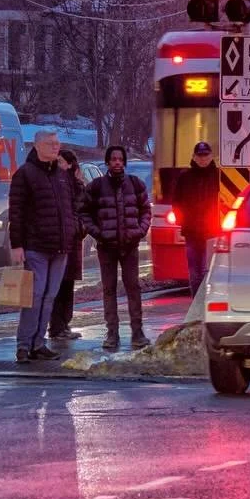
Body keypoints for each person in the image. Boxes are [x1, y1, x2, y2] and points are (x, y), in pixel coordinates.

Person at [8, 130, 78, 364]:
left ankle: (39, 343)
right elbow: (15, 212)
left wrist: (73, 231)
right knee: (34, 296)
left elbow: (72, 206)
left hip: (60, 246)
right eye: (50, 143)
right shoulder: (25, 174)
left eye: (57, 143)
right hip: (36, 245)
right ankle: (24, 345)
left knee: (49, 296)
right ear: (37, 146)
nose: (55, 147)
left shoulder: (61, 175)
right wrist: (17, 244)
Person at [82, 145, 152, 351]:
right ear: (107, 162)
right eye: (113, 159)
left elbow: (146, 211)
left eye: (120, 159)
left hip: (130, 244)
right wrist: (98, 232)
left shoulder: (135, 184)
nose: (117, 162)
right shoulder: (96, 186)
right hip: (107, 246)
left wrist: (139, 231)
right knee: (109, 289)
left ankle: (137, 332)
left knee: (133, 288)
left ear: (124, 162)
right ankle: (112, 333)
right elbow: (83, 212)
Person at [172, 141, 222, 298]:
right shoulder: (185, 177)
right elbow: (176, 202)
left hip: (213, 231)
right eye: (199, 155)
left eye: (205, 155)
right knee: (195, 273)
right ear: (194, 157)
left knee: (211, 271)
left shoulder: (220, 177)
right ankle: (197, 306)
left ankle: (209, 305)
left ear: (211, 156)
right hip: (192, 232)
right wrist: (183, 222)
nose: (202, 159)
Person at [48, 149, 88, 342]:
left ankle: (63, 323)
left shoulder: (77, 186)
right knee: (58, 284)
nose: (58, 164)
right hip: (60, 241)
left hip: (72, 241)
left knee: (67, 283)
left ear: (70, 165)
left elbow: (83, 211)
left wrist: (79, 228)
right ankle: (57, 325)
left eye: (61, 161)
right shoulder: (55, 183)